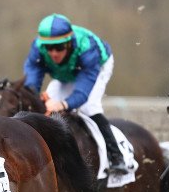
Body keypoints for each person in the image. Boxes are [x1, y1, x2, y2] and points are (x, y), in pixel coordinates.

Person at [23, 13, 128, 175]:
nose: (53, 53)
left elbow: (82, 93)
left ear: (69, 43)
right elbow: (32, 76)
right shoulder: (37, 47)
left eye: (59, 47)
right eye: (49, 48)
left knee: (89, 107)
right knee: (46, 107)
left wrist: (64, 104)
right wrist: (33, 94)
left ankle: (116, 157)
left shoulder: (88, 49)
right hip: (66, 73)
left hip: (97, 67)